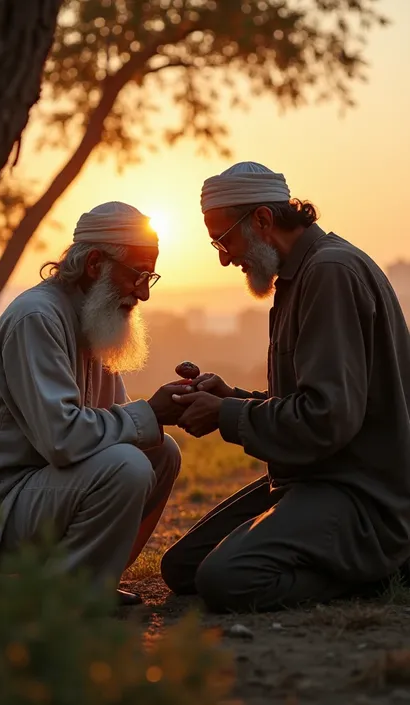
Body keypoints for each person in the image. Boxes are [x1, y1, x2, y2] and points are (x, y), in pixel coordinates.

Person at [161, 161, 410, 613]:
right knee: (181, 568)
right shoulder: (300, 275)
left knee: (227, 580)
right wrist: (229, 400)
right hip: (313, 479)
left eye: (224, 239)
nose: (223, 257)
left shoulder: (329, 273)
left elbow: (327, 418)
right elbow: (310, 404)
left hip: (363, 496)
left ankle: (389, 564)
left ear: (262, 220)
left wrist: (224, 417)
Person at [0, 201, 188, 606]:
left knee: (159, 451)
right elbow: (62, 439)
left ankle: (92, 579)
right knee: (128, 466)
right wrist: (149, 412)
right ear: (95, 263)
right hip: (1, 510)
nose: (144, 292)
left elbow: (118, 427)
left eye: (150, 276)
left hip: (48, 491)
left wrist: (176, 405)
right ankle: (60, 600)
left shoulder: (95, 318)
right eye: (137, 274)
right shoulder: (36, 318)